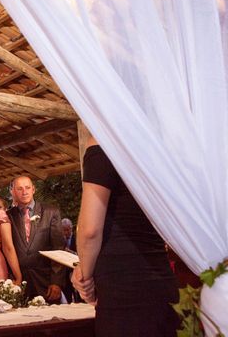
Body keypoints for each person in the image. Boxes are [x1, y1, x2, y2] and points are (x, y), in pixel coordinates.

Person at [71, 137, 178, 336]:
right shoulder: (159, 142)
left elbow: (90, 230)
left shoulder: (102, 140)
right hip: (160, 279)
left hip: (121, 285)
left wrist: (84, 276)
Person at [7, 176, 65, 304]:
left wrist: (56, 282)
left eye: (27, 188)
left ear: (33, 189)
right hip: (19, 283)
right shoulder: (8, 216)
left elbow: (58, 249)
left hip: (45, 281)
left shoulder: (51, 212)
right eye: (19, 189)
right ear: (13, 192)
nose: (24, 191)